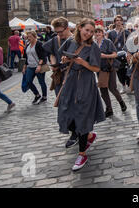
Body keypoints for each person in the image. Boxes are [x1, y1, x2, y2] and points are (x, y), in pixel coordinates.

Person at [58, 18, 105, 171]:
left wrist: (82, 63)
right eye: (87, 30)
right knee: (66, 113)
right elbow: (62, 58)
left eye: (91, 31)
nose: (89, 33)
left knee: (82, 116)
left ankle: (82, 153)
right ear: (79, 28)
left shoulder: (93, 47)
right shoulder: (70, 41)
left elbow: (96, 69)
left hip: (85, 83)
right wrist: (65, 59)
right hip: (70, 81)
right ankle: (88, 136)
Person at [43, 17, 79, 148]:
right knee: (63, 106)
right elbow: (51, 53)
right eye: (56, 32)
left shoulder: (76, 40)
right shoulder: (55, 40)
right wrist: (53, 64)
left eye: (61, 31)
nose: (59, 34)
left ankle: (82, 131)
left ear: (67, 28)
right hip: (60, 77)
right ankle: (74, 132)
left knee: (76, 105)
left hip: (74, 76)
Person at [94, 25, 127, 117]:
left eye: (99, 32)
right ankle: (109, 109)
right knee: (103, 89)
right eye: (96, 32)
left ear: (103, 33)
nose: (98, 34)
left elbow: (115, 54)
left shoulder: (108, 42)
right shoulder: (93, 44)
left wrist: (105, 56)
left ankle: (121, 102)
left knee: (112, 88)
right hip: (99, 69)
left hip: (109, 68)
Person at [22, 31, 48, 105]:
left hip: (39, 66)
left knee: (41, 82)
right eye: (28, 37)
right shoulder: (27, 45)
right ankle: (37, 95)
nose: (28, 38)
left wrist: (39, 65)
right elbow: (26, 58)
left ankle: (44, 96)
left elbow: (43, 56)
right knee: (28, 81)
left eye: (30, 37)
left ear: (34, 36)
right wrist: (24, 67)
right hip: (30, 66)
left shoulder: (39, 44)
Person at [108, 15, 131, 94]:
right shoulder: (111, 33)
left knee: (127, 70)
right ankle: (123, 86)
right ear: (114, 22)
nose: (118, 22)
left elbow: (130, 42)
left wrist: (129, 52)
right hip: (115, 54)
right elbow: (109, 44)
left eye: (120, 20)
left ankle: (128, 86)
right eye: (117, 20)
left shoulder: (126, 32)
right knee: (119, 71)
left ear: (122, 21)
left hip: (125, 53)